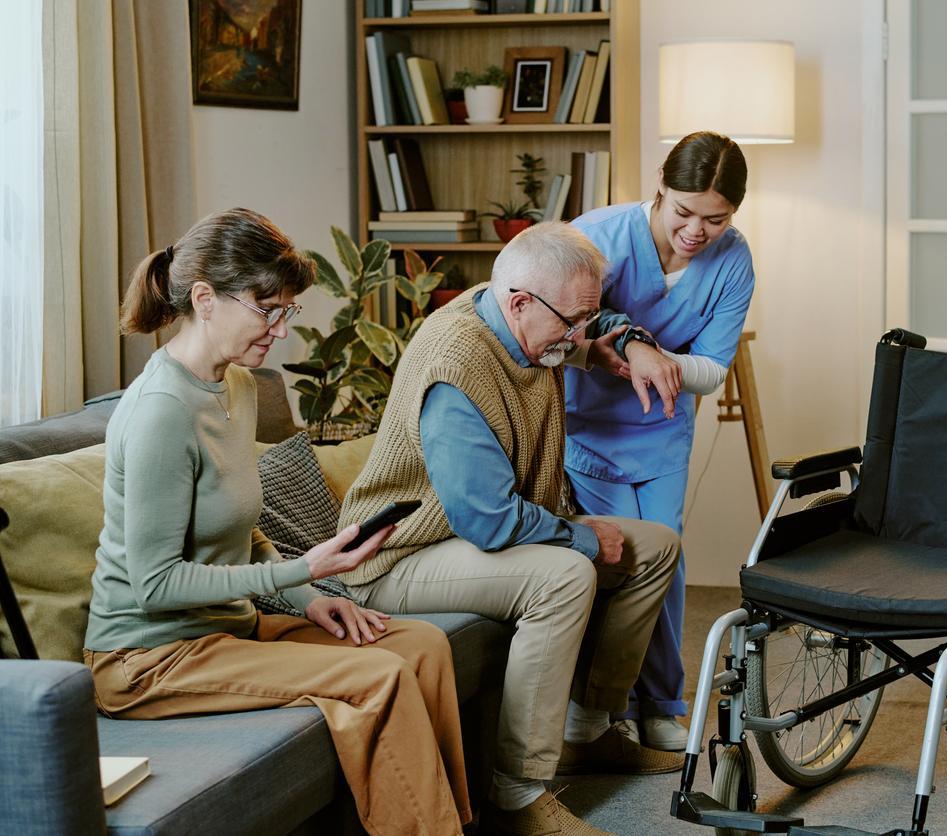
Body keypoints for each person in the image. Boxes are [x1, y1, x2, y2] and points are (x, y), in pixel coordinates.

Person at [83, 209, 470, 836]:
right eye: (267, 310)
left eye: (287, 310)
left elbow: (244, 530)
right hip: (149, 657)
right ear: (204, 299)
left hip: (227, 629)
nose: (281, 329)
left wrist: (310, 598)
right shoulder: (160, 411)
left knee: (420, 646)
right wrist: (305, 569)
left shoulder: (237, 386)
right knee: (379, 676)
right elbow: (154, 585)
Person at [336, 222, 684, 836]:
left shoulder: (528, 320)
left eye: (586, 318)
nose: (578, 337)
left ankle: (587, 731)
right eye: (572, 323)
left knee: (655, 547)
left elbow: (589, 325)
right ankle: (518, 792)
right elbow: (488, 519)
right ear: (520, 302)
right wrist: (581, 537)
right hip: (398, 555)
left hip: (469, 533)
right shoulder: (456, 364)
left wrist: (627, 341)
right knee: (566, 574)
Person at [563, 131, 755, 751]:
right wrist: (626, 351)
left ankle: (660, 704)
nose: (697, 231)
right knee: (617, 557)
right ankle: (603, 702)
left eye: (715, 219)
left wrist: (653, 358)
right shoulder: (597, 237)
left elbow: (713, 369)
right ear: (660, 187)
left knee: (667, 563)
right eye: (684, 211)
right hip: (589, 428)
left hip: (663, 432)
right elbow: (556, 336)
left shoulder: (734, 260)